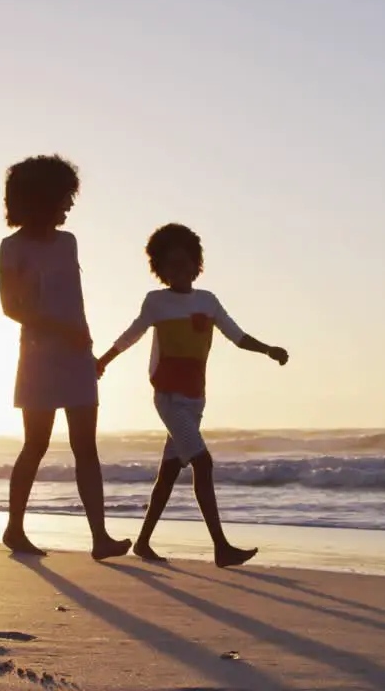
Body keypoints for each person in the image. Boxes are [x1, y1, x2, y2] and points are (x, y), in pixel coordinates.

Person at [96, 223, 288, 567]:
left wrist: (269, 349)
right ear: (160, 269)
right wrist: (103, 361)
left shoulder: (208, 301)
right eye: (171, 266)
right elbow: (131, 335)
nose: (179, 272)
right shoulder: (156, 302)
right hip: (168, 396)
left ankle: (142, 542)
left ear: (196, 265)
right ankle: (221, 547)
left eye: (185, 264)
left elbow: (238, 336)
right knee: (202, 462)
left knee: (169, 471)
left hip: (195, 398)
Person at [0, 154, 131, 561]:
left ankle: (99, 537)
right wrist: (60, 328)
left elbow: (73, 299)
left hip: (76, 354)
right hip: (39, 354)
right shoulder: (12, 248)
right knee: (35, 443)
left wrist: (81, 339)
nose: (69, 206)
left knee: (85, 446)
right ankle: (14, 527)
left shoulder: (68, 242)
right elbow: (10, 306)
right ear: (41, 199)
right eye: (63, 198)